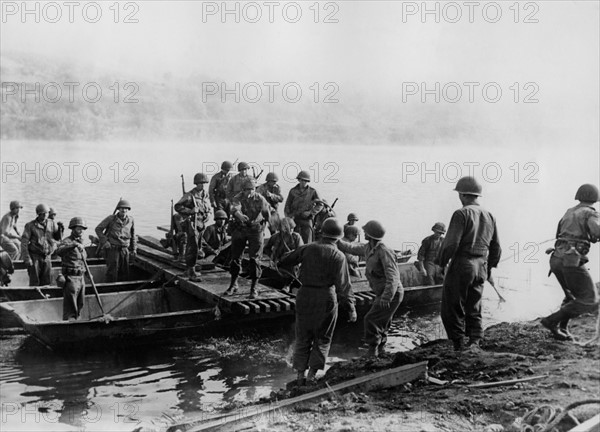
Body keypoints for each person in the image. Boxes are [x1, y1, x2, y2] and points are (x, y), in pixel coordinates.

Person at [280, 218, 357, 384]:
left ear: (321, 232)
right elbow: (344, 287)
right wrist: (351, 309)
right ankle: (312, 375)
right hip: (326, 297)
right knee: (322, 338)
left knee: (303, 337)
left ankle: (299, 375)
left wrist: (294, 276)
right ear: (338, 237)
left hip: (304, 294)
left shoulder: (307, 248)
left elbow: (283, 262)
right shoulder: (339, 256)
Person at [435, 177, 501, 352]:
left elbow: (450, 244)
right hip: (482, 265)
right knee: (474, 304)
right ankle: (474, 342)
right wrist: (490, 268)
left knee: (452, 306)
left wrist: (441, 263)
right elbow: (496, 247)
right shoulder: (490, 215)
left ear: (463, 195)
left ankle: (458, 344)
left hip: (463, 264)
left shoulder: (461, 213)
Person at [540, 183, 600, 340]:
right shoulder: (590, 213)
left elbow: (559, 232)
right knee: (590, 300)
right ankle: (551, 321)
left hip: (556, 259)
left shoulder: (569, 212)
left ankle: (562, 329)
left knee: (571, 295)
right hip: (571, 261)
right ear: (595, 198)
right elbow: (596, 231)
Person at [337, 220, 402, 358]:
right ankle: (382, 350)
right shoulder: (369, 247)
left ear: (371, 235)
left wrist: (386, 297)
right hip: (383, 292)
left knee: (370, 319)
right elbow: (351, 248)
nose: (364, 233)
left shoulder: (384, 251)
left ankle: (372, 351)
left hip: (391, 293)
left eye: (366, 232)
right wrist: (336, 240)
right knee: (383, 320)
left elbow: (393, 277)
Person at [225, 178, 271, 299]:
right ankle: (233, 284)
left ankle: (254, 288)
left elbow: (267, 214)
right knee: (235, 258)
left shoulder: (261, 199)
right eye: (246, 190)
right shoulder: (238, 197)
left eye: (251, 189)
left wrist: (265, 227)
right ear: (243, 190)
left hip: (256, 230)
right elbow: (235, 207)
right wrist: (238, 215)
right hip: (240, 229)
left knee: (254, 259)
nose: (249, 192)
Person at [174, 173, 212, 282]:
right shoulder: (190, 195)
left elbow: (208, 207)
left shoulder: (205, 195)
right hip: (192, 223)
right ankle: (191, 271)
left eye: (204, 183)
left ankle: (190, 268)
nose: (203, 185)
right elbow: (177, 206)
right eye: (201, 183)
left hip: (202, 223)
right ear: (196, 184)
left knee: (199, 246)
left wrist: (209, 214)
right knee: (193, 247)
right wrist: (190, 211)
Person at [95, 199, 137, 283]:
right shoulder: (111, 219)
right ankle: (109, 289)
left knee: (125, 270)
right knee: (112, 272)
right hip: (113, 249)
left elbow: (133, 236)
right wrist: (105, 241)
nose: (123, 210)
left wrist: (134, 249)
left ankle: (121, 289)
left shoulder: (131, 220)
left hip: (125, 249)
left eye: (126, 208)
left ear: (128, 210)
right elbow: (98, 229)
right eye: (121, 208)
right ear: (118, 209)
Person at [56, 217, 88, 320]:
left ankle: (77, 322)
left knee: (80, 304)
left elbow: (83, 261)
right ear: (73, 229)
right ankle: (68, 324)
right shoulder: (67, 241)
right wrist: (73, 245)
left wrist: (87, 273)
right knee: (70, 307)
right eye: (79, 229)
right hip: (71, 278)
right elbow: (59, 251)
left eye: (82, 229)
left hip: (81, 278)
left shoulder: (81, 243)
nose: (81, 231)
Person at [21, 204, 60, 286]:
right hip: (35, 257)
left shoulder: (52, 223)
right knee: (34, 281)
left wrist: (60, 230)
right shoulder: (30, 225)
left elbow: (57, 238)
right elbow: (24, 243)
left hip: (47, 257)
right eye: (43, 213)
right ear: (38, 214)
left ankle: (45, 296)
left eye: (47, 213)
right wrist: (27, 258)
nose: (45, 215)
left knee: (46, 281)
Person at [264, 217, 304, 293]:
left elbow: (300, 251)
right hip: (279, 262)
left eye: (293, 228)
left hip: (292, 262)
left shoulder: (296, 237)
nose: (292, 230)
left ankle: (287, 285)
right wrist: (273, 258)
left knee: (293, 267)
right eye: (291, 228)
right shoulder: (276, 237)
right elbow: (266, 248)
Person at [284, 170, 320, 244]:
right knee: (295, 241)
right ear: (299, 180)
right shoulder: (293, 191)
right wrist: (288, 217)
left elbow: (320, 204)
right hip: (295, 219)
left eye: (305, 181)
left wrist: (310, 212)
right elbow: (287, 205)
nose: (303, 182)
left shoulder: (313, 191)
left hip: (307, 220)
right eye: (302, 180)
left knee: (307, 241)